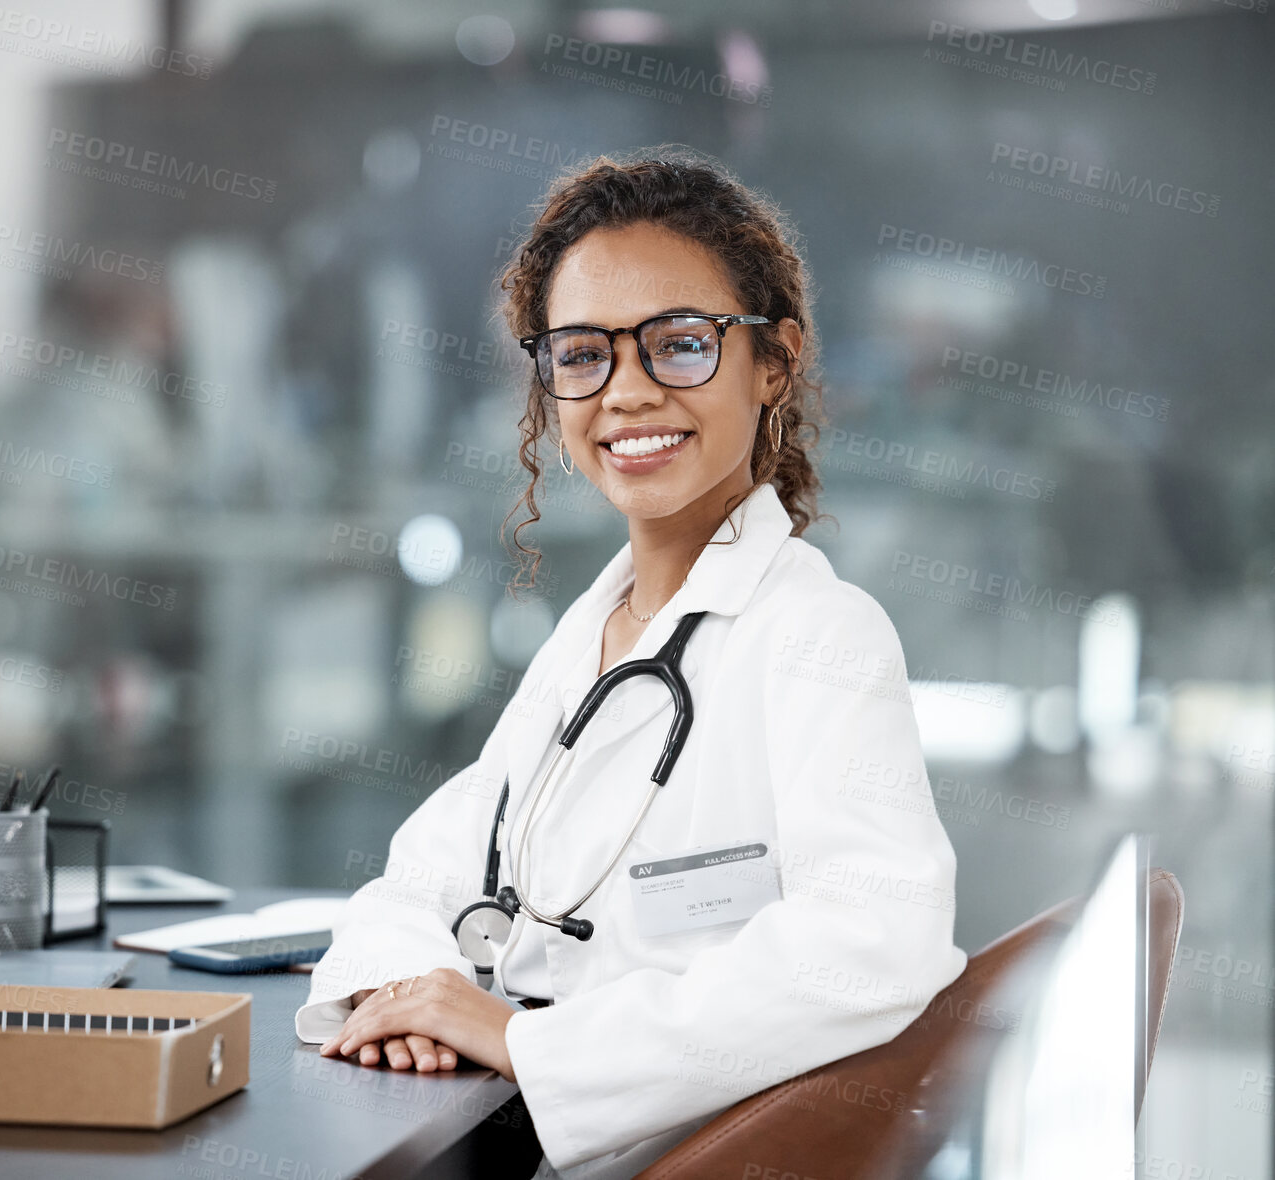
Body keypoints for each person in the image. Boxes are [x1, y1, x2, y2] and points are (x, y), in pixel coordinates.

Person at [294, 149, 967, 1179]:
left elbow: (872, 941)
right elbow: (419, 879)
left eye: (681, 345)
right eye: (582, 354)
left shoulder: (819, 632)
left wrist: (527, 1043)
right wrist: (415, 997)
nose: (628, 392)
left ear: (774, 361)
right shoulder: (593, 638)